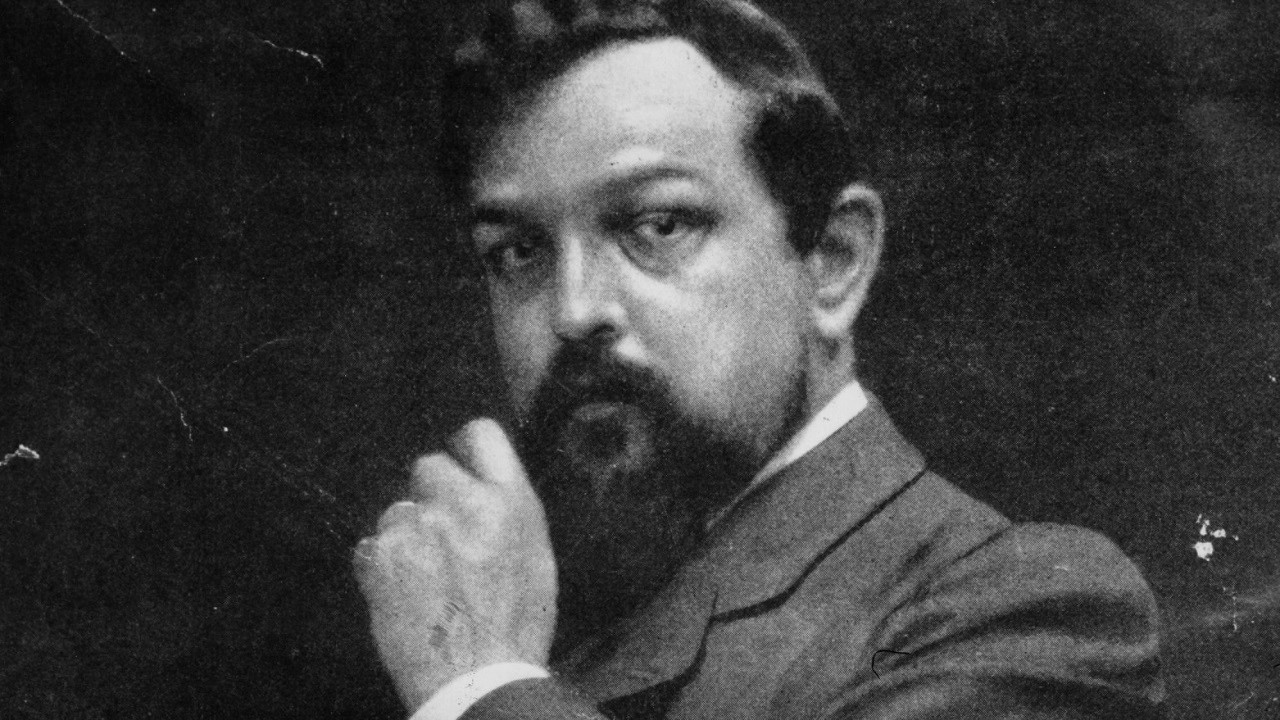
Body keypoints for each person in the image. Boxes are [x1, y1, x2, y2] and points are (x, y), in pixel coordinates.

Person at [352, 1, 1166, 718]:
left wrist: (482, 683)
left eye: (659, 225)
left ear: (833, 261)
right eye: (519, 251)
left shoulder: (1024, 609)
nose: (572, 310)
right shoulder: (551, 601)